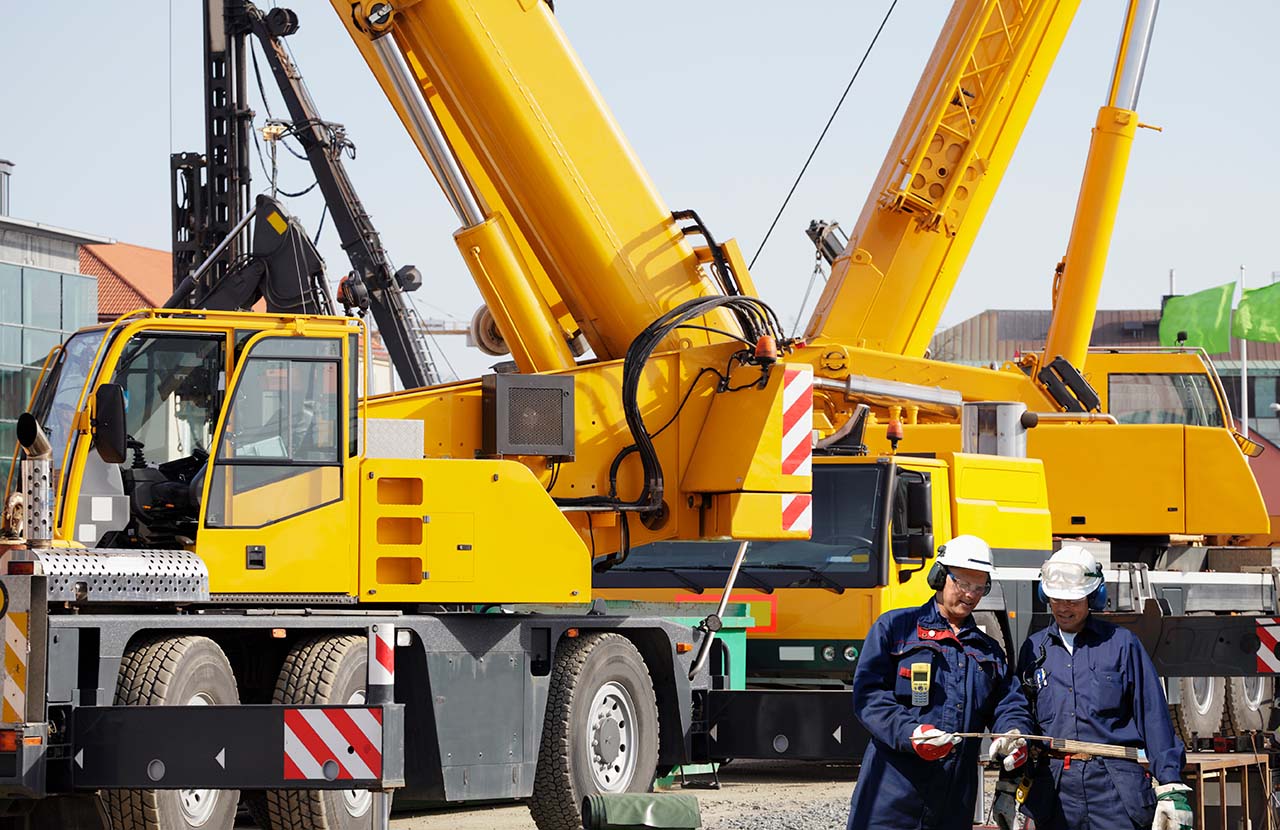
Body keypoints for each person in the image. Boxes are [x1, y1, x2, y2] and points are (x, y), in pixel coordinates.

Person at [847, 535, 1032, 830]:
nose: (970, 595)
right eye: (962, 583)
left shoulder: (988, 650)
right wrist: (910, 732)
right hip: (890, 797)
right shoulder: (894, 628)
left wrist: (1011, 732)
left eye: (979, 587)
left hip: (952, 802)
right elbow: (869, 697)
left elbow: (1008, 703)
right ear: (940, 577)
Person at [1016, 545, 1193, 830]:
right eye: (1056, 599)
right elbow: (1020, 714)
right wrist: (1009, 778)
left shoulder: (1122, 645)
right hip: (1055, 792)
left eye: (1073, 600)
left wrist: (1171, 785)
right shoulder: (1034, 649)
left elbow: (1153, 716)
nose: (1063, 608)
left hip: (1115, 790)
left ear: (1093, 597)